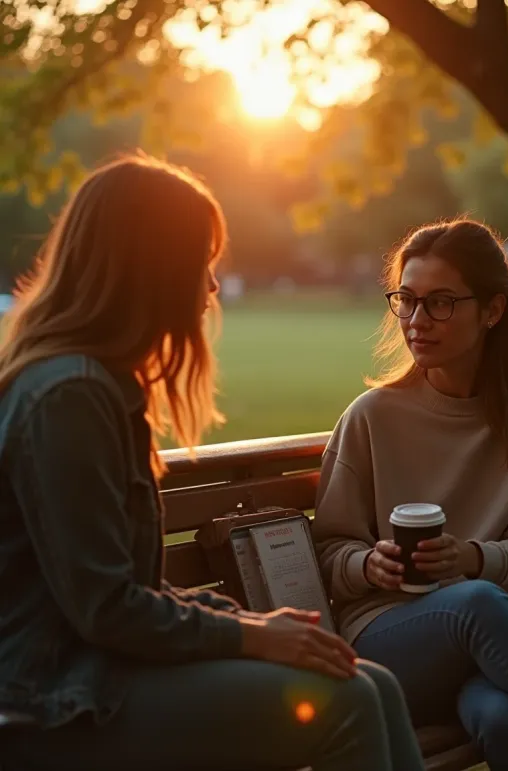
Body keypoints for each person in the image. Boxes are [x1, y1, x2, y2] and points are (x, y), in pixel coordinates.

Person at [0, 155, 425, 771]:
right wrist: (254, 635)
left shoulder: (96, 387)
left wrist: (256, 622)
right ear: (150, 268)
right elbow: (106, 608)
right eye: (200, 261)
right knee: (348, 700)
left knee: (373, 684)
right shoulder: (67, 396)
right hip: (51, 700)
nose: (212, 287)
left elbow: (127, 591)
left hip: (98, 673)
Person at [312, 219, 508, 771]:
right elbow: (328, 553)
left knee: (502, 716)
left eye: (440, 303)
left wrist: (471, 559)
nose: (417, 322)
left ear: (492, 311)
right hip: (394, 639)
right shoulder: (371, 418)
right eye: (407, 300)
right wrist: (369, 566)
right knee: (477, 603)